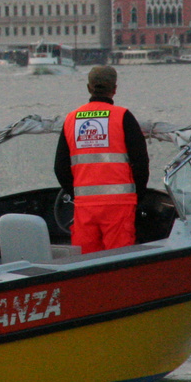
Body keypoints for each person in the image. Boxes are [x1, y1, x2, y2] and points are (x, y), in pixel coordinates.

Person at [54, 65, 149, 254]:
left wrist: (77, 195)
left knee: (86, 263)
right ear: (114, 88)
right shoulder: (123, 117)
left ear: (88, 88)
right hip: (119, 206)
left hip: (85, 208)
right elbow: (141, 163)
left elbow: (60, 168)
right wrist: (137, 197)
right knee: (119, 261)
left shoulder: (71, 119)